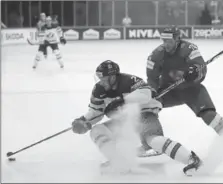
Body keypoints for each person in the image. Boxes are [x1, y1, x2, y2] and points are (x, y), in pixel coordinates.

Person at [71, 60, 202, 175]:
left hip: (144, 114)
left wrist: (123, 99)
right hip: (123, 120)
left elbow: (146, 94)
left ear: (113, 77)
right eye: (100, 79)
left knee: (153, 141)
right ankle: (119, 162)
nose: (102, 82)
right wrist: (84, 121)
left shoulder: (129, 80)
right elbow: (95, 111)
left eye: (105, 79)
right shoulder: (98, 89)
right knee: (97, 131)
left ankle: (190, 159)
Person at [146, 26, 223, 171]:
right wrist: (152, 92)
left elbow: (201, 68)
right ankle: (151, 142)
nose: (166, 44)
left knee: (209, 115)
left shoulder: (189, 48)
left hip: (191, 89)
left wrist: (194, 72)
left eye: (169, 40)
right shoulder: (156, 55)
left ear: (177, 38)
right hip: (168, 91)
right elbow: (152, 79)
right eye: (164, 40)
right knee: (147, 107)